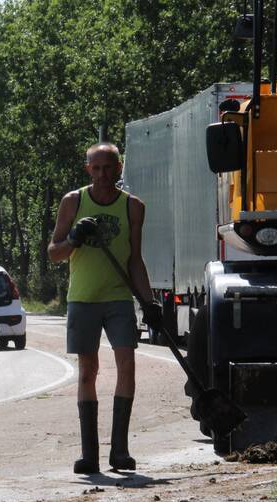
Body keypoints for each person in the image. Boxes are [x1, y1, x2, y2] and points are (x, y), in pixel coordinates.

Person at [48, 142, 161, 474]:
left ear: (119, 167)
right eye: (96, 168)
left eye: (108, 167)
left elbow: (135, 260)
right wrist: (73, 240)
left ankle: (120, 452)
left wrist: (150, 301)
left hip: (119, 298)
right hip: (82, 299)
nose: (102, 174)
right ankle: (89, 455)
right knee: (88, 371)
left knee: (127, 364)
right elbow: (53, 253)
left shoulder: (133, 208)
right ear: (88, 170)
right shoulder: (73, 202)